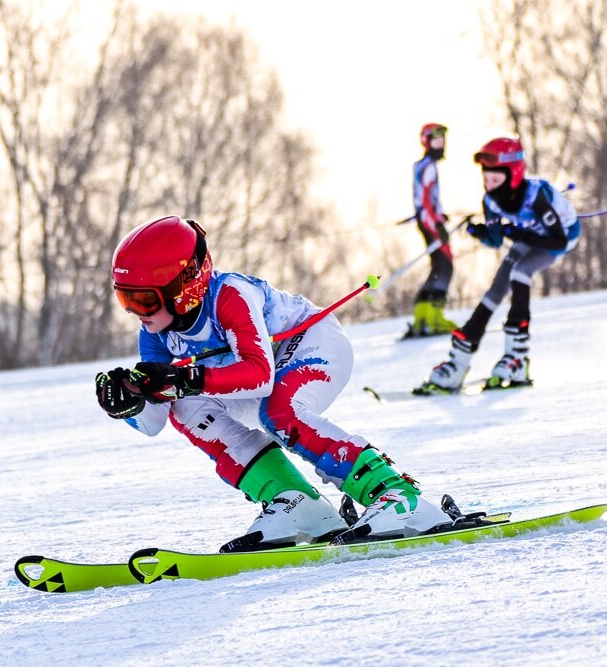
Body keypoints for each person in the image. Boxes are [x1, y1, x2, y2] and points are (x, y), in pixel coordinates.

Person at [96, 215, 460, 552]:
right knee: (185, 406)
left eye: (142, 300)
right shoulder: (156, 335)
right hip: (251, 378)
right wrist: (129, 402)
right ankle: (298, 503)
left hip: (313, 345)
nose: (134, 312)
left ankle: (396, 495)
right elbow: (154, 421)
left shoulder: (230, 296)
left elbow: (259, 374)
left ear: (184, 287)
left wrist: (185, 378)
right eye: (124, 297)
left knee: (279, 411)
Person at [415, 137, 580, 394]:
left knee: (520, 272)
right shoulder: (491, 201)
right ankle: (460, 359)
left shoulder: (537, 196)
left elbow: (557, 239)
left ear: (512, 174)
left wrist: (518, 233)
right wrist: (479, 231)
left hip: (559, 239)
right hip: (530, 238)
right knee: (497, 287)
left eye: (496, 180)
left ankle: (517, 357)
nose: (490, 186)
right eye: (486, 179)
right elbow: (495, 240)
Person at [405, 123, 458, 339]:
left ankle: (422, 318)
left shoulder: (421, 165)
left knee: (437, 266)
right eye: (436, 141)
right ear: (426, 142)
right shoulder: (428, 167)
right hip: (430, 223)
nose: (441, 145)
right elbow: (426, 198)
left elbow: (425, 199)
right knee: (445, 267)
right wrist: (436, 223)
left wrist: (439, 214)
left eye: (443, 141)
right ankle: (434, 317)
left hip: (427, 220)